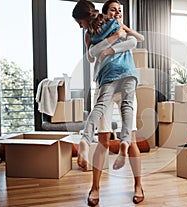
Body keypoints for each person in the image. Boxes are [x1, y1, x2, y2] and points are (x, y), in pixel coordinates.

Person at [72, 0, 144, 205]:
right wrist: (111, 41)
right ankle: (95, 188)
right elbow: (91, 57)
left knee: (131, 139)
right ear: (103, 13)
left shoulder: (121, 27)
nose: (118, 12)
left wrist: (121, 33)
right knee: (103, 141)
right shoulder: (92, 33)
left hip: (124, 80)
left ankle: (138, 185)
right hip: (104, 83)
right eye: (113, 9)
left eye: (120, 10)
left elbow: (136, 40)